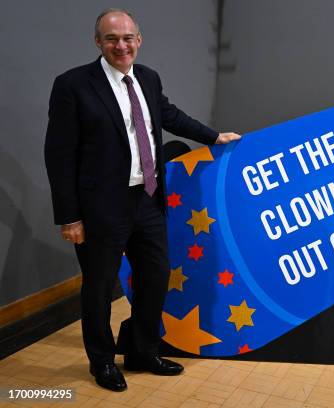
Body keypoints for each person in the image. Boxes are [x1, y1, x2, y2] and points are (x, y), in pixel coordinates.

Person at [44, 8, 241, 392]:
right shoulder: (73, 85)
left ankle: (141, 351)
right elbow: (58, 154)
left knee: (154, 279)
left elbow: (168, 115)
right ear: (98, 42)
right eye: (112, 38)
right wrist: (69, 217)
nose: (122, 45)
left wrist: (213, 136)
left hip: (148, 201)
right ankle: (101, 362)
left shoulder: (147, 78)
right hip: (100, 210)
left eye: (128, 37)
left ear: (139, 39)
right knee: (99, 288)